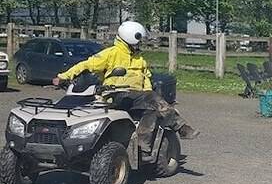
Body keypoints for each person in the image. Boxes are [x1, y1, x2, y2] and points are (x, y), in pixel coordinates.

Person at [54, 21, 199, 151]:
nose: (140, 44)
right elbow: (85, 65)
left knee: (153, 111)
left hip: (136, 97)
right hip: (115, 96)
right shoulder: (111, 53)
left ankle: (142, 145)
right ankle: (182, 128)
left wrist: (150, 93)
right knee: (151, 99)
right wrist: (62, 77)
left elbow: (146, 78)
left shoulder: (139, 59)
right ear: (130, 38)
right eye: (138, 40)